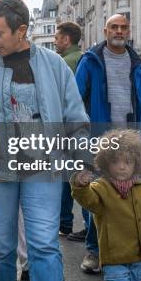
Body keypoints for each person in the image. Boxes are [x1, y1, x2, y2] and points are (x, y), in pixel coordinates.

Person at [0, 0, 90, 281]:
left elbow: (76, 119)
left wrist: (83, 161)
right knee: (0, 250)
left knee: (44, 246)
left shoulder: (55, 65)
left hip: (44, 168)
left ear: (21, 30)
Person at [74, 13, 141, 274]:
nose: (119, 31)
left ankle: (123, 253)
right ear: (105, 30)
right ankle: (94, 251)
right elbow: (75, 100)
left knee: (129, 198)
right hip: (99, 141)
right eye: (114, 27)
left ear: (129, 31)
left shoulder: (138, 64)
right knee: (97, 196)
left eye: (123, 27)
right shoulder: (91, 60)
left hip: (130, 142)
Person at [71, 129, 141, 281]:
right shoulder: (101, 188)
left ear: (137, 164)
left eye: (128, 162)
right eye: (115, 162)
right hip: (114, 259)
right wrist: (81, 187)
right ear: (105, 162)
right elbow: (88, 200)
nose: (122, 167)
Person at [54, 21, 88, 241]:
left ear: (66, 39)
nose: (55, 42)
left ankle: (66, 223)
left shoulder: (64, 63)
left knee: (69, 178)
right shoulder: (82, 58)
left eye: (57, 38)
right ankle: (73, 223)